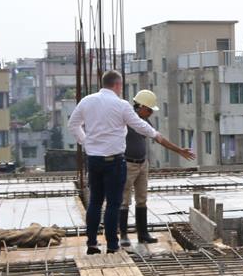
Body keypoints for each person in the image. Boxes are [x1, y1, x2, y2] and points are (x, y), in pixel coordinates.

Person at [69, 70, 196, 254]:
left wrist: (87, 143)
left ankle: (92, 244)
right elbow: (143, 127)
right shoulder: (121, 105)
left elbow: (73, 125)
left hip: (94, 159)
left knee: (95, 202)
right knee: (114, 203)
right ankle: (112, 245)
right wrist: (170, 144)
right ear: (118, 85)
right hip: (115, 161)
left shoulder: (87, 101)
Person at [117, 89, 194, 246]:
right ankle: (123, 235)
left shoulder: (144, 122)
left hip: (142, 164)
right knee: (124, 201)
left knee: (142, 199)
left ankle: (143, 234)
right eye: (150, 110)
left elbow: (159, 138)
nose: (151, 113)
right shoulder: (125, 119)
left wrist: (179, 150)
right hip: (128, 163)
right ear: (142, 107)